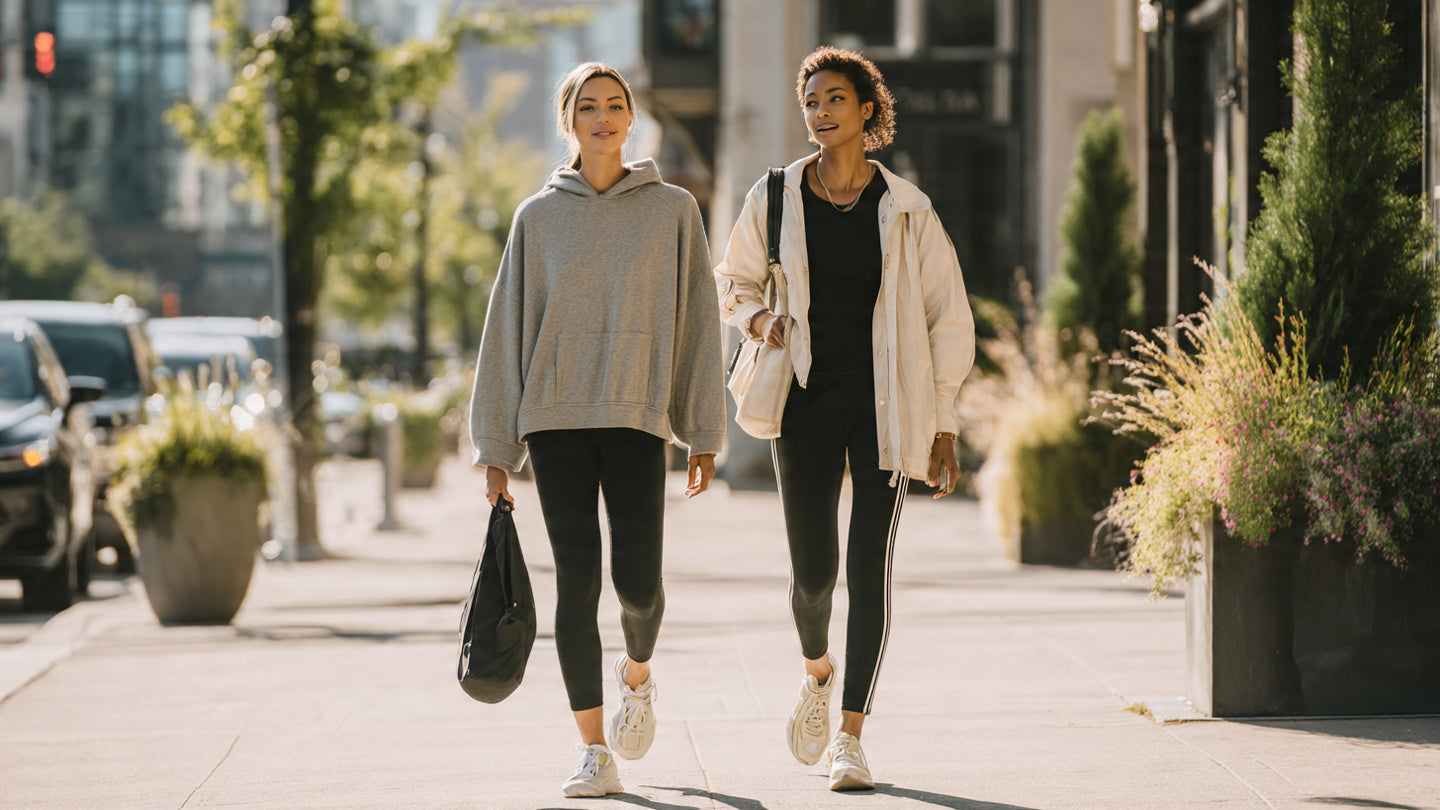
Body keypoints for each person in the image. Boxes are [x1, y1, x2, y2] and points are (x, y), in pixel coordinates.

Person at [713, 46, 976, 792]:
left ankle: (851, 737)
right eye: (811, 102)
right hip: (803, 403)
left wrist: (944, 427)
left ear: (866, 109)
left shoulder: (909, 209)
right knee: (813, 576)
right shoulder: (774, 196)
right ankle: (818, 671)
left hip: (889, 410)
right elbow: (731, 281)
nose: (821, 112)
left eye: (834, 99)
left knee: (869, 567)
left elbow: (948, 320)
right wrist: (760, 317)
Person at [469, 61, 727, 799]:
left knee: (638, 584)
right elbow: (507, 327)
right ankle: (593, 750)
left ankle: (636, 676)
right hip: (555, 420)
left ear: (631, 119)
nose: (604, 117)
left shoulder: (673, 209)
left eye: (615, 105)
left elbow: (698, 321)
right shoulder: (537, 216)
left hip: (638, 417)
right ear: (569, 122)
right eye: (588, 106)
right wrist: (496, 447)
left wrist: (703, 428)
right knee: (576, 585)